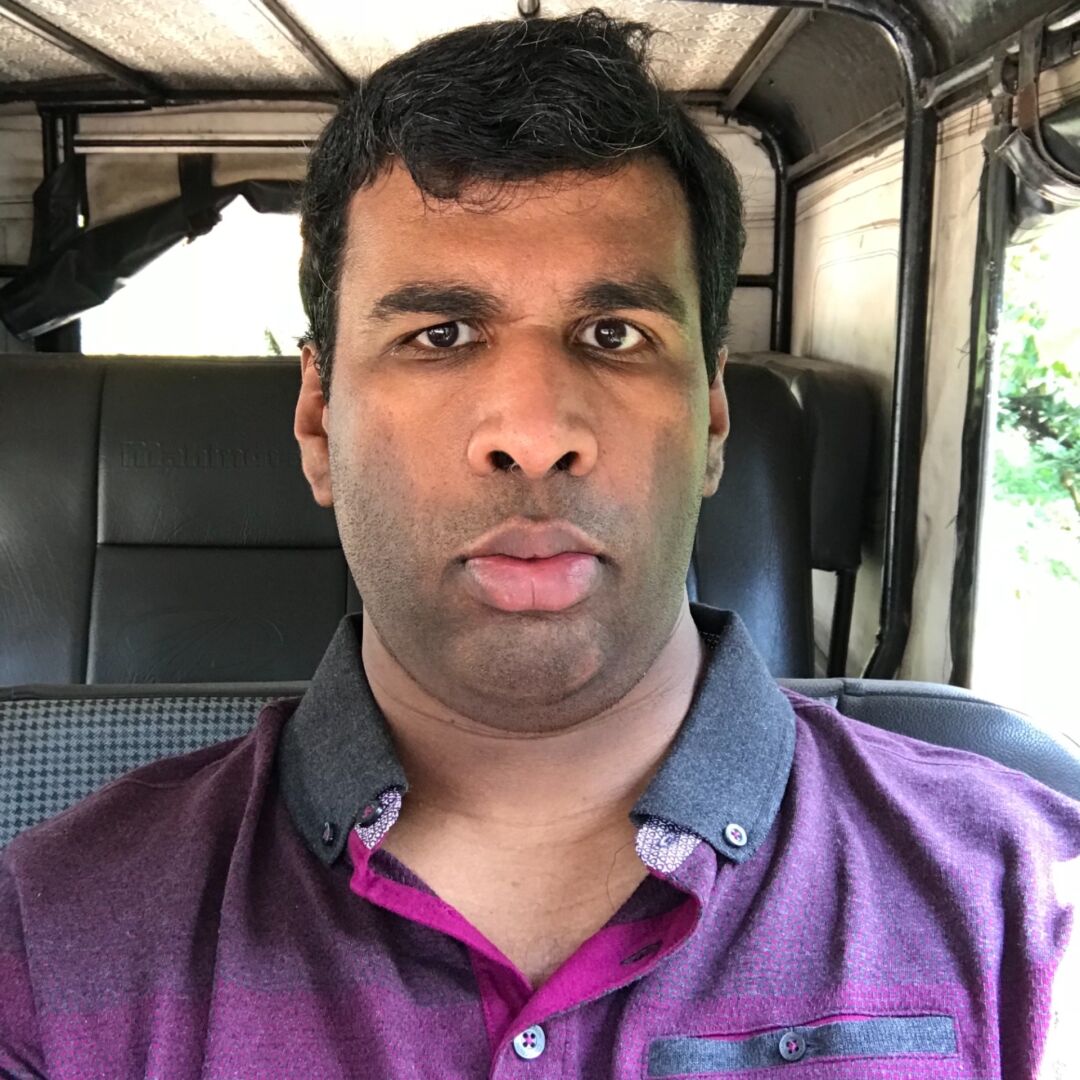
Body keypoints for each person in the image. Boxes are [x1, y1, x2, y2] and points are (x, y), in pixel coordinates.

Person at [2, 9, 1078, 1078]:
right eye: (439, 335)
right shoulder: (49, 944)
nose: (531, 433)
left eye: (615, 335)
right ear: (319, 424)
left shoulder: (1026, 904)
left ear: (712, 421)